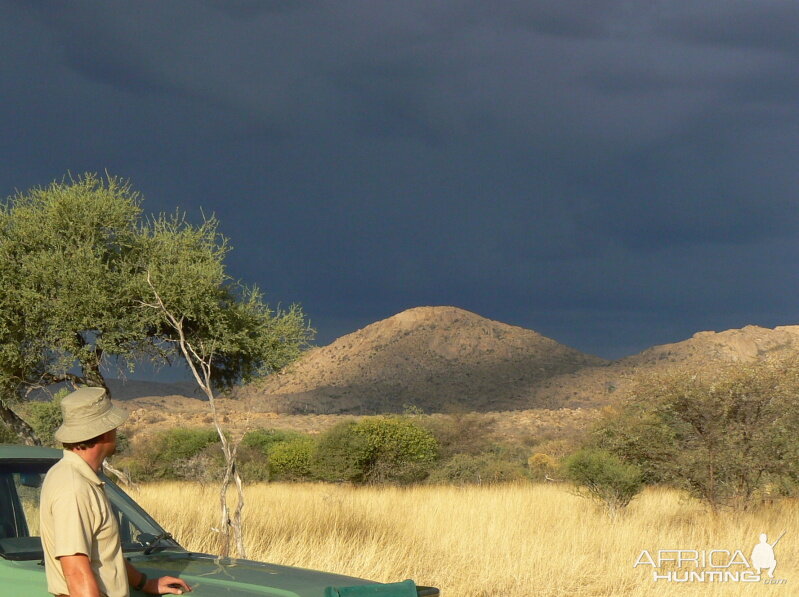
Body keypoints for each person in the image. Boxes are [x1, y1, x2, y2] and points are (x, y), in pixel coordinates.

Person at [39, 386, 192, 596]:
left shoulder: (75, 476)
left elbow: (104, 554)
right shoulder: (74, 487)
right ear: (104, 432)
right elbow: (76, 571)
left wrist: (144, 583)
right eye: (113, 425)